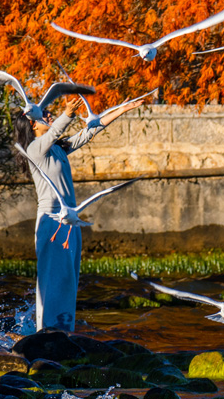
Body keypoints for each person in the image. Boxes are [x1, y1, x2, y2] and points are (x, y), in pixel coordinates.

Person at [14, 95, 144, 332]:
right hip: (52, 221)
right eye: (45, 115)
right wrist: (68, 114)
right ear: (33, 124)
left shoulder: (58, 149)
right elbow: (53, 132)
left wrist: (124, 109)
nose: (49, 115)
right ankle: (47, 333)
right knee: (53, 279)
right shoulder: (34, 149)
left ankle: (64, 330)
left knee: (68, 279)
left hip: (69, 222)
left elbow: (90, 131)